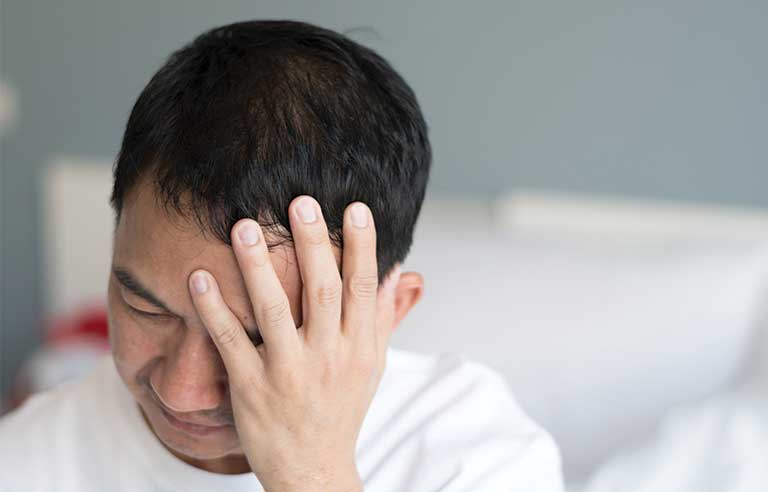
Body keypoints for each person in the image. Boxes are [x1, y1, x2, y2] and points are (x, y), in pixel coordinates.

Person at [0, 20, 563, 491]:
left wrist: (310, 472)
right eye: (146, 309)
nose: (181, 392)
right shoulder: (28, 458)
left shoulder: (480, 457)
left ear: (388, 311)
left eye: (257, 338)